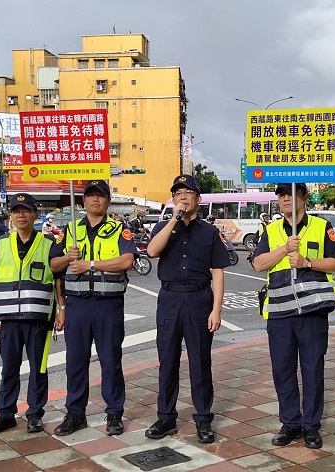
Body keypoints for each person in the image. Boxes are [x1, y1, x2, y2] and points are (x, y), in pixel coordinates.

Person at [253, 182, 335, 450]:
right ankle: (290, 423)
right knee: (282, 370)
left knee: (313, 369)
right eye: (281, 195)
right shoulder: (270, 230)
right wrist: (284, 249)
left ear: (303, 197)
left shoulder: (321, 226)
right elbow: (259, 264)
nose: (284, 199)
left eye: (290, 194)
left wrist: (307, 262)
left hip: (312, 313)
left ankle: (311, 426)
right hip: (280, 314)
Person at [144, 174, 229, 444]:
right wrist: (173, 219)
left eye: (188, 192)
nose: (182, 197)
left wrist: (216, 309)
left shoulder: (209, 232)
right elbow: (151, 252)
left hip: (199, 301)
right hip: (169, 300)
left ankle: (203, 419)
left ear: (198, 199)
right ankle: (166, 417)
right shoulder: (163, 227)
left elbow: (217, 272)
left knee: (200, 363)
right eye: (177, 193)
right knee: (167, 361)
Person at [50, 180, 137, 436]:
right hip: (77, 306)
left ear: (108, 201)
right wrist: (69, 257)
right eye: (90, 196)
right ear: (83, 201)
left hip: (107, 306)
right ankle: (75, 414)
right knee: (75, 362)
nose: (95, 200)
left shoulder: (119, 229)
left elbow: (127, 260)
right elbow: (54, 265)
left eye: (100, 196)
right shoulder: (71, 230)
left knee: (110, 361)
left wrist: (91, 264)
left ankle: (114, 414)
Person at [0, 193, 64, 435]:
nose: (21, 215)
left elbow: (58, 280)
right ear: (11, 216)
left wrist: (62, 309)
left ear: (35, 215)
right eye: (16, 211)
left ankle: (35, 414)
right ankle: (5, 414)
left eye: (26, 210)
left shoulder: (49, 244)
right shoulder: (2, 244)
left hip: (38, 318)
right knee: (9, 367)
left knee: (38, 367)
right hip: (8, 318)